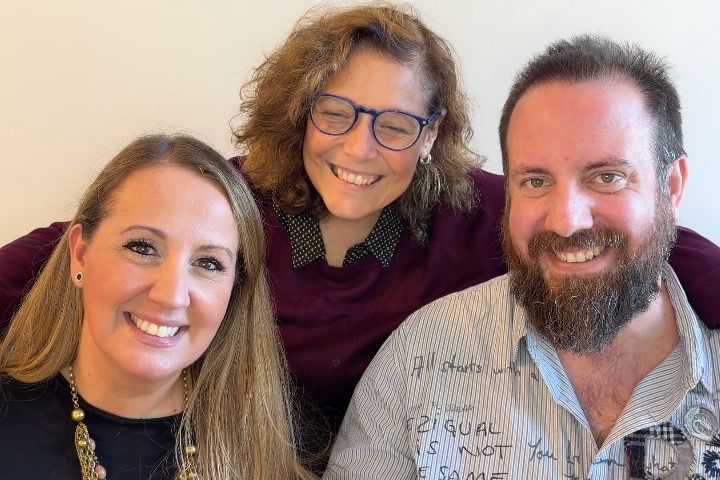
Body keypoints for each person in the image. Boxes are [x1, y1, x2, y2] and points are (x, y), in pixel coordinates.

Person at [1, 4, 719, 460]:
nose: (359, 149)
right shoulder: (231, 200)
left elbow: (643, 239)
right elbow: (75, 246)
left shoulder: (478, 212)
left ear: (430, 135)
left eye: (395, 125)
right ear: (301, 111)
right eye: (335, 113)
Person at [324, 35, 720, 479]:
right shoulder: (416, 359)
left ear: (671, 187)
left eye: (607, 177)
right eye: (535, 181)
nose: (566, 222)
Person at [0, 135, 313, 479]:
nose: (171, 296)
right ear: (80, 254)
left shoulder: (273, 450)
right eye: (142, 247)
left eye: (208, 263)